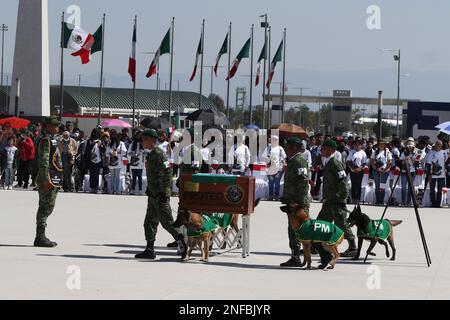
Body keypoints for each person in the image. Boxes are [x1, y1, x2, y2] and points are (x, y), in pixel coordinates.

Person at [134, 129, 187, 260]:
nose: (142, 142)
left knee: (167, 222)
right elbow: (154, 174)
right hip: (153, 194)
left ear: (150, 140)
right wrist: (149, 189)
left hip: (160, 195)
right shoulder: (151, 154)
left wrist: (163, 192)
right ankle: (149, 249)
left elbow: (168, 173)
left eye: (144, 139)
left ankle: (183, 244)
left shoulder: (159, 154)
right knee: (149, 222)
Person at [317, 140, 357, 257]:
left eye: (324, 148)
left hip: (336, 200)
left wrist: (341, 199)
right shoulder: (328, 161)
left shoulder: (335, 163)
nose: (321, 150)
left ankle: (353, 246)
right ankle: (317, 245)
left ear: (331, 150)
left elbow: (343, 182)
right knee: (321, 222)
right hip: (330, 200)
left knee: (341, 223)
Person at [279, 137, 310, 267]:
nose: (286, 149)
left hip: (297, 204)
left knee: (299, 230)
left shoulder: (299, 161)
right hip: (292, 202)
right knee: (292, 229)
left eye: (288, 147)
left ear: (295, 148)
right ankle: (295, 256)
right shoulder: (292, 161)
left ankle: (298, 256)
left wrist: (299, 204)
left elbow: (303, 182)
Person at [34, 117, 63, 247]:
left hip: (53, 177)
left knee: (48, 206)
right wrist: (46, 179)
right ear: (48, 126)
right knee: (45, 207)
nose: (57, 127)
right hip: (47, 178)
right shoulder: (46, 140)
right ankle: (40, 237)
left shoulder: (51, 139)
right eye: (54, 125)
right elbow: (44, 161)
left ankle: (41, 236)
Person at [261, 135, 286, 201]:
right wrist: (267, 162)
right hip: (270, 169)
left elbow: (284, 157)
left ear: (277, 141)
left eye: (275, 140)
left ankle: (276, 196)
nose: (274, 141)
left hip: (279, 169)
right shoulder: (268, 147)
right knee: (271, 183)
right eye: (273, 140)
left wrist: (283, 165)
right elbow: (263, 157)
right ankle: (270, 196)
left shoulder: (280, 148)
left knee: (277, 183)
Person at [426, 140, 448, 208]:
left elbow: (446, 162)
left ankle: (438, 204)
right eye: (437, 144)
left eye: (440, 145)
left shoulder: (444, 153)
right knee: (432, 190)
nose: (438, 146)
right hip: (432, 175)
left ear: (441, 146)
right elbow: (429, 164)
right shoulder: (431, 153)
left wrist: (446, 169)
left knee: (439, 190)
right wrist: (429, 174)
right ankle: (433, 203)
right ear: (435, 145)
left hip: (442, 175)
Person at [371, 140, 392, 205]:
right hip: (376, 170)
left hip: (385, 171)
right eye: (380, 144)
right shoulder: (375, 152)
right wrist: (376, 168)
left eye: (383, 144)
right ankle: (377, 200)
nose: (381, 145)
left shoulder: (388, 152)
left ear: (385, 145)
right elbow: (371, 161)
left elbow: (389, 162)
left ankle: (382, 200)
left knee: (382, 186)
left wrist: (384, 170)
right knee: (377, 186)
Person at [347, 139, 367, 204]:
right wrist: (352, 168)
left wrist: (359, 169)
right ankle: (353, 198)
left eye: (358, 144)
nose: (357, 146)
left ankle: (358, 199)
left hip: (360, 170)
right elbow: (349, 160)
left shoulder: (363, 153)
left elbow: (364, 162)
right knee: (353, 184)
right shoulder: (351, 152)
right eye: (355, 145)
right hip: (352, 170)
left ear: (361, 145)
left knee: (358, 185)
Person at [84, 128, 103, 193]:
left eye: (97, 132)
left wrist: (101, 145)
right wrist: (92, 143)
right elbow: (87, 151)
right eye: (94, 132)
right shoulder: (89, 141)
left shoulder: (100, 140)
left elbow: (103, 150)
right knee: (91, 174)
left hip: (98, 160)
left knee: (96, 174)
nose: (96, 134)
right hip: (91, 160)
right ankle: (92, 187)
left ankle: (96, 187)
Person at [399, 138, 417, 206]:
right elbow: (401, 163)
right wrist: (405, 159)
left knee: (410, 188)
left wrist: (412, 159)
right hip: (404, 171)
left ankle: (409, 202)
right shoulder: (403, 153)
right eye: (409, 146)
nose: (410, 148)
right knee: (403, 188)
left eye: (411, 147)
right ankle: (403, 202)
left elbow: (416, 163)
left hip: (412, 172)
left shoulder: (415, 153)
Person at [128, 130, 145, 195]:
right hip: (134, 162)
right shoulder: (132, 143)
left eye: (140, 135)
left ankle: (140, 190)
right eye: (138, 135)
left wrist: (143, 152)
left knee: (140, 176)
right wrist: (133, 153)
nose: (139, 136)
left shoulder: (143, 143)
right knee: (134, 177)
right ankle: (132, 189)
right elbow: (128, 153)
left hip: (140, 162)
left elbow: (146, 152)